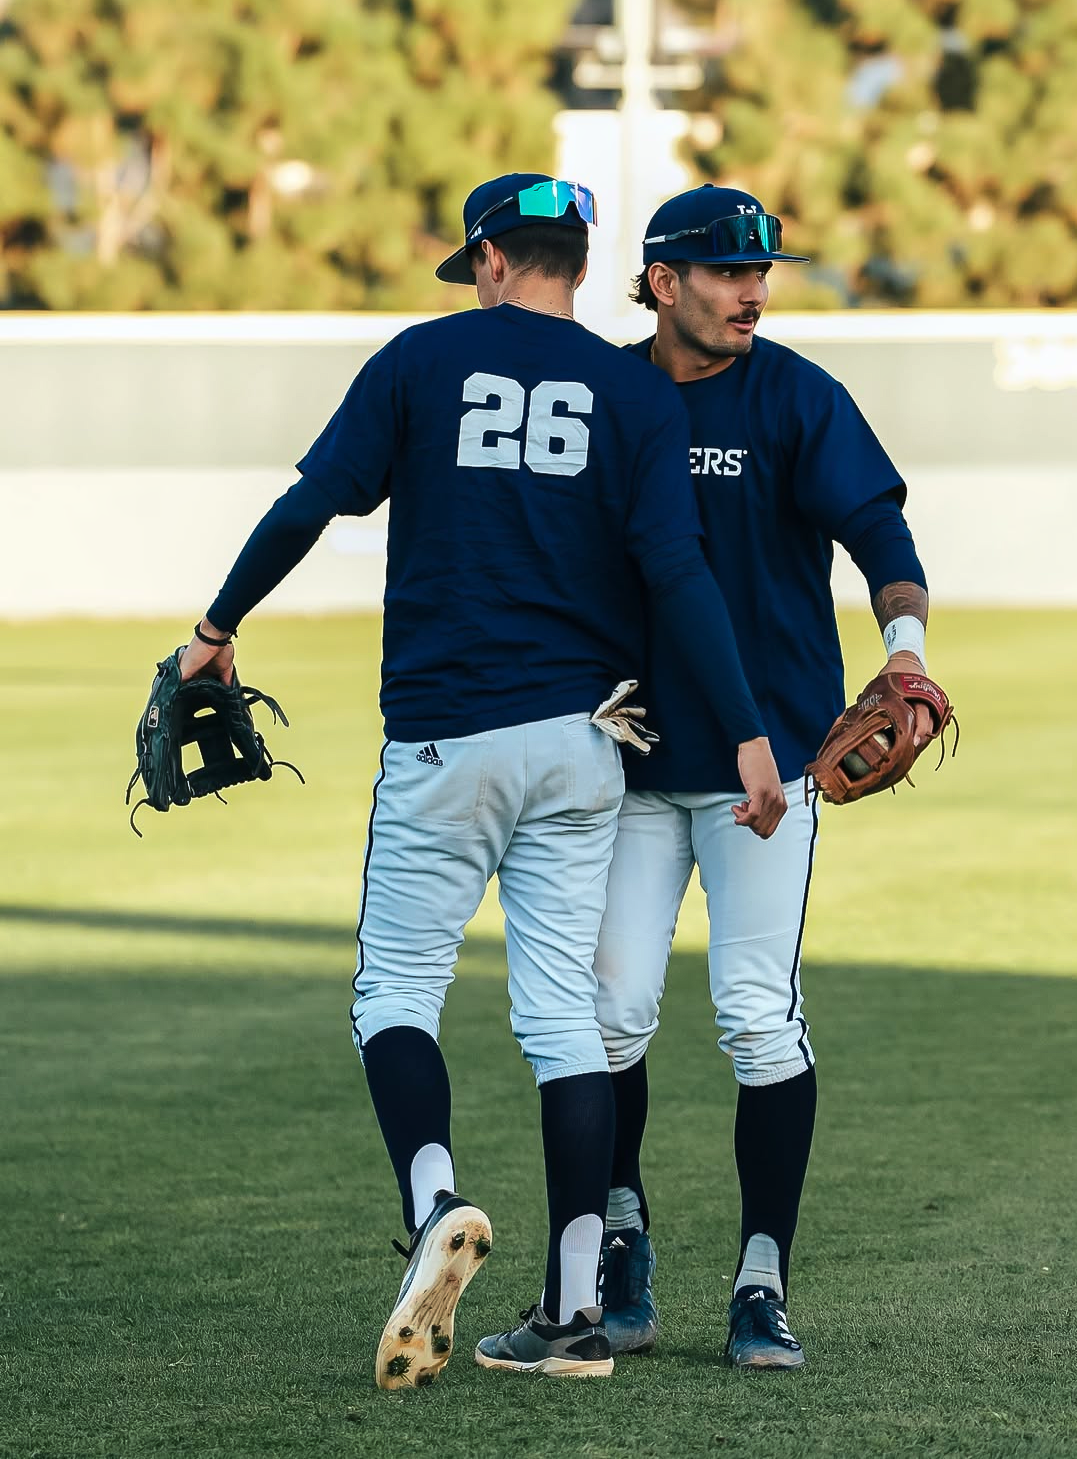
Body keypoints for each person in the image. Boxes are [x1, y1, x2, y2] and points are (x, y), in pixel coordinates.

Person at [177, 173, 785, 1390]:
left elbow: (312, 504)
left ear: (494, 259)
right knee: (563, 1016)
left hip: (448, 735)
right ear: (582, 262)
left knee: (396, 990)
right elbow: (677, 572)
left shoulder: (421, 359)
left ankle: (435, 1202)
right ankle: (572, 1314)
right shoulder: (633, 390)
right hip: (584, 741)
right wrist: (748, 733)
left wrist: (216, 624)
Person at [594, 184, 942, 1370]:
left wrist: (906, 650)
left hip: (773, 768)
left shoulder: (796, 394)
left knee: (756, 1013)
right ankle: (622, 1235)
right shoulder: (607, 392)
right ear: (663, 281)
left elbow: (881, 534)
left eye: (761, 271)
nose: (753, 290)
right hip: (633, 762)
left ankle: (761, 1278)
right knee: (608, 1012)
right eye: (728, 270)